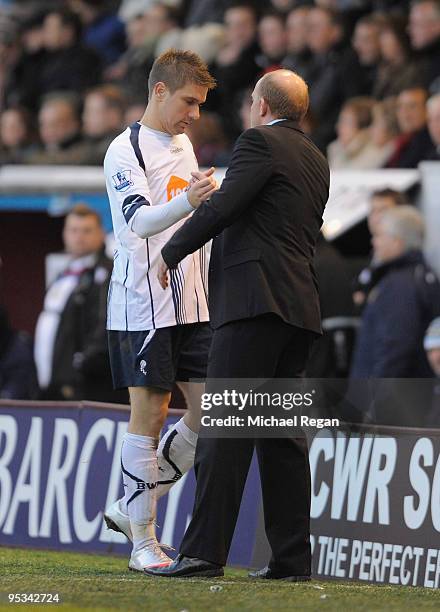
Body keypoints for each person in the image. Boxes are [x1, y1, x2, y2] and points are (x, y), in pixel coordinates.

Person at [146, 69, 330, 579]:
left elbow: (225, 206)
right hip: (298, 312)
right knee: (282, 439)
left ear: (263, 106)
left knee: (224, 432)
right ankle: (292, 561)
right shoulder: (316, 156)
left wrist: (172, 250)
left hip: (254, 305)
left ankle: (203, 553)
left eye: (252, 100)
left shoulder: (258, 143)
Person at [102, 50, 217, 573]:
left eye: (200, 104)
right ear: (160, 91)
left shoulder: (184, 144)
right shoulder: (124, 151)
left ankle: (133, 503)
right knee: (147, 418)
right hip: (143, 306)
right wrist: (192, 202)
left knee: (212, 411)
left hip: (191, 301)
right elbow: (142, 224)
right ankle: (143, 542)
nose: (194, 113)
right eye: (189, 101)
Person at [34, 204, 118, 403]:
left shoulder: (107, 274)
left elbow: (104, 325)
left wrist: (81, 364)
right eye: (73, 230)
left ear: (100, 234)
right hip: (52, 384)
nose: (79, 237)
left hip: (86, 387)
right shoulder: (64, 275)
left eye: (87, 231)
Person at [350, 206, 440, 378]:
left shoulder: (400, 285)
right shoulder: (423, 275)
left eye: (379, 236)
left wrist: (376, 401)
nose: (374, 242)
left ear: (397, 242)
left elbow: (396, 348)